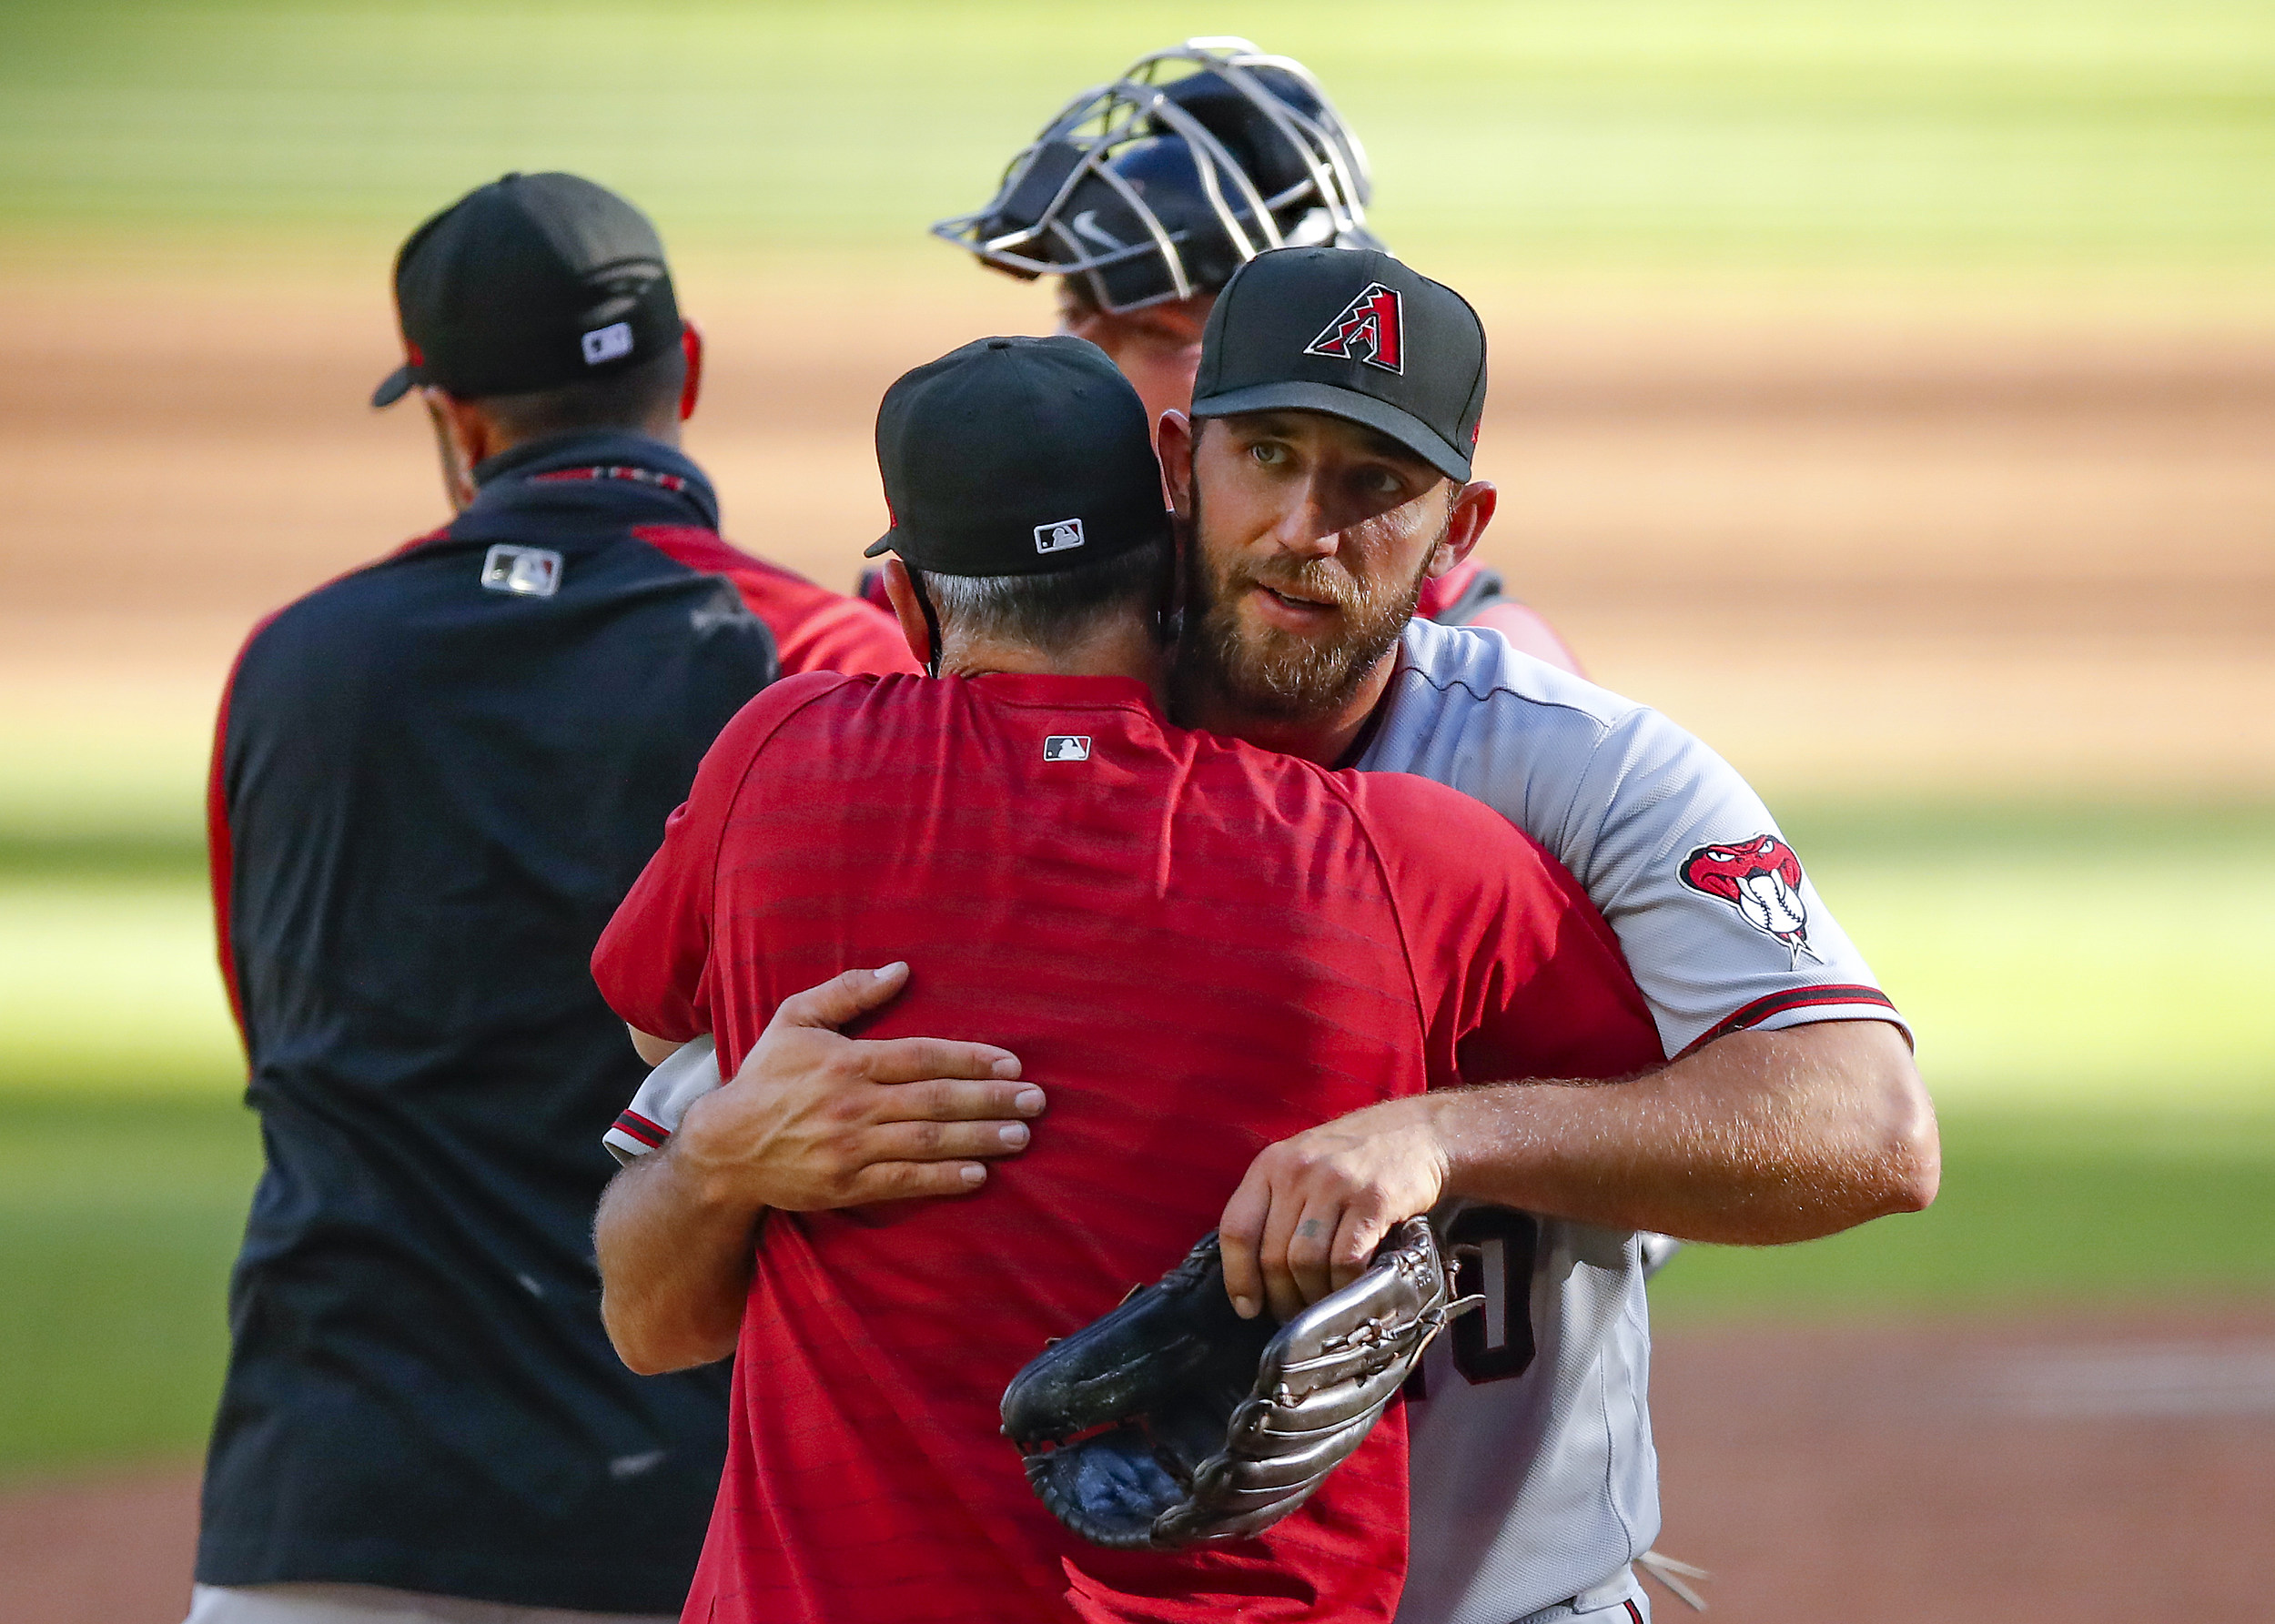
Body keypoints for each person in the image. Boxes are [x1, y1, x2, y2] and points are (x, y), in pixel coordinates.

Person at [611, 247, 1937, 1624]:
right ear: (1181, 461)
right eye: (1273, 455)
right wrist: (720, 1150)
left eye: (1375, 485)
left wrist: (1440, 1135)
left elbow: (1872, 1130)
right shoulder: (972, 762)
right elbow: (658, 1284)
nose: (1309, 525)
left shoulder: (1577, 776)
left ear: (1459, 525)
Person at [194, 172, 912, 1624]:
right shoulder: (828, 667)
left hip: (318, 1501)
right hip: (681, 1515)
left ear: (455, 422)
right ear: (686, 370)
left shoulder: (293, 661)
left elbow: (274, 1031)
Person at [917, 36, 1582, 671]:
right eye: (1072, 317)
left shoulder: (1483, 662)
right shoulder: (977, 584)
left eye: (1158, 332)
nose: (1074, 367)